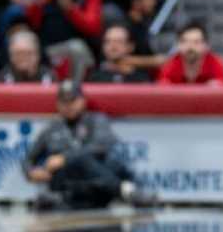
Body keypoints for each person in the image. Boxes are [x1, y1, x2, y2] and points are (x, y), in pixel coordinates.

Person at [24, 80, 145, 210]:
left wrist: (65, 158)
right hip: (67, 185)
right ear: (58, 104)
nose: (68, 106)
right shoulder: (51, 128)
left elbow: (102, 146)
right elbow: (28, 159)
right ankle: (124, 190)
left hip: (98, 187)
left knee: (87, 159)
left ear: (82, 101)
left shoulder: (96, 120)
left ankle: (121, 189)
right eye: (64, 102)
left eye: (72, 101)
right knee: (78, 161)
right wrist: (31, 172)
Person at [156, 22, 223, 84]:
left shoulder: (217, 65)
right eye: (184, 41)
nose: (190, 46)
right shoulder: (169, 66)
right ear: (178, 45)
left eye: (196, 42)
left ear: (206, 45)